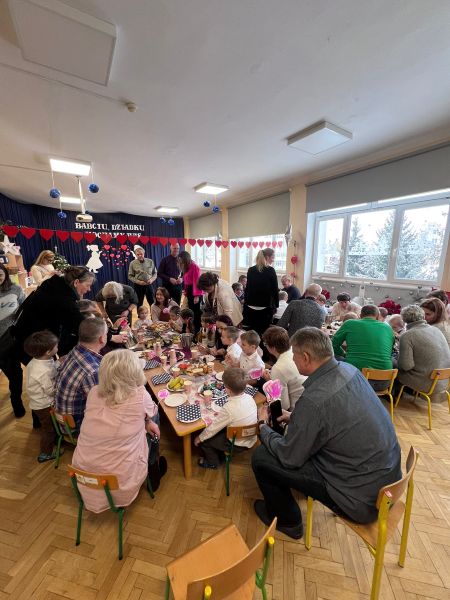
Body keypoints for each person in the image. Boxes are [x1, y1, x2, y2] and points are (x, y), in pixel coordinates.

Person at [252, 327, 402, 540]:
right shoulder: (350, 370)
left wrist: (262, 427)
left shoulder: (314, 400)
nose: (292, 360)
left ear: (306, 357)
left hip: (359, 500)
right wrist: (296, 417)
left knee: (262, 457)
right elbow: (336, 416)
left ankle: (288, 521)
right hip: (388, 480)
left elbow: (289, 457)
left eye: (294, 355)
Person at [71, 350, 165, 512]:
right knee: (154, 427)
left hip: (83, 475)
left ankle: (152, 463)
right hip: (120, 482)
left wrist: (145, 421)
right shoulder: (140, 394)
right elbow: (153, 410)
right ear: (134, 373)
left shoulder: (94, 392)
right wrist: (148, 421)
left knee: (147, 424)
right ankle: (153, 469)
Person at [14, 265, 95, 358]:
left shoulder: (54, 285)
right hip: (34, 343)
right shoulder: (63, 297)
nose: (89, 289)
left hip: (27, 336)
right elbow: (81, 325)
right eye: (88, 285)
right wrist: (104, 333)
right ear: (76, 282)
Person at [194, 368, 257, 469]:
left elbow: (214, 428)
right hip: (251, 437)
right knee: (219, 430)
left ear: (228, 390)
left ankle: (213, 463)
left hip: (237, 444)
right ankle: (220, 453)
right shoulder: (250, 398)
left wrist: (200, 438)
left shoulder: (228, 408)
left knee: (206, 442)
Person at [55, 317, 107, 433]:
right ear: (102, 339)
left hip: (62, 417)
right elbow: (100, 404)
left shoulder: (76, 350)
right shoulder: (92, 371)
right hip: (76, 426)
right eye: (106, 334)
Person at [332, 305, 394, 391]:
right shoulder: (388, 328)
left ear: (360, 316)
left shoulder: (350, 323)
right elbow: (390, 351)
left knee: (331, 356)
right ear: (377, 316)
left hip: (356, 379)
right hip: (384, 382)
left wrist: (343, 354)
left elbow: (332, 345)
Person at [397, 305, 450, 396]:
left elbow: (406, 366)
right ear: (423, 316)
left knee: (393, 365)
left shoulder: (407, 335)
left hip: (427, 383)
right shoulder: (436, 330)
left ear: (403, 319)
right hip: (444, 382)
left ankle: (394, 396)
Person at [24, 331, 59, 462]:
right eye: (56, 346)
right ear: (48, 352)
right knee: (49, 430)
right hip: (44, 405)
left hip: (39, 403)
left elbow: (51, 368)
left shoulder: (39, 360)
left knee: (48, 426)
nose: (57, 347)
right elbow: (51, 391)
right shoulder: (42, 371)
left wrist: (58, 363)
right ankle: (45, 454)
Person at [0, 264, 26, 417]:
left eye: (0, 274)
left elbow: (24, 308)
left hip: (12, 337)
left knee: (15, 372)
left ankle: (16, 401)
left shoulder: (15, 289)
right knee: (10, 372)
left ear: (5, 274)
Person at [262, 326, 306, 411]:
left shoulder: (278, 368)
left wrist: (270, 382)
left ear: (273, 348)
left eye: (265, 344)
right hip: (307, 397)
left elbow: (284, 405)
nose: (265, 347)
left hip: (296, 409)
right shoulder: (294, 350)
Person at [244, 249, 279, 338]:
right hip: (265, 307)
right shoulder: (271, 270)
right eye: (273, 257)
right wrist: (276, 305)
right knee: (263, 334)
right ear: (267, 257)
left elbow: (247, 288)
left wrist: (246, 304)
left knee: (252, 334)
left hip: (250, 306)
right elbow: (275, 289)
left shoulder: (251, 270)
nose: (273, 260)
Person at [178, 250, 202, 333]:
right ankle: (189, 328)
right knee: (189, 311)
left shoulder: (194, 266)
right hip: (189, 290)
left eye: (181, 260)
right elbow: (186, 281)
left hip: (195, 291)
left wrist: (197, 295)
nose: (180, 262)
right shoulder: (186, 267)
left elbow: (197, 281)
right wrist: (185, 291)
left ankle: (196, 330)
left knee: (195, 312)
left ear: (185, 259)